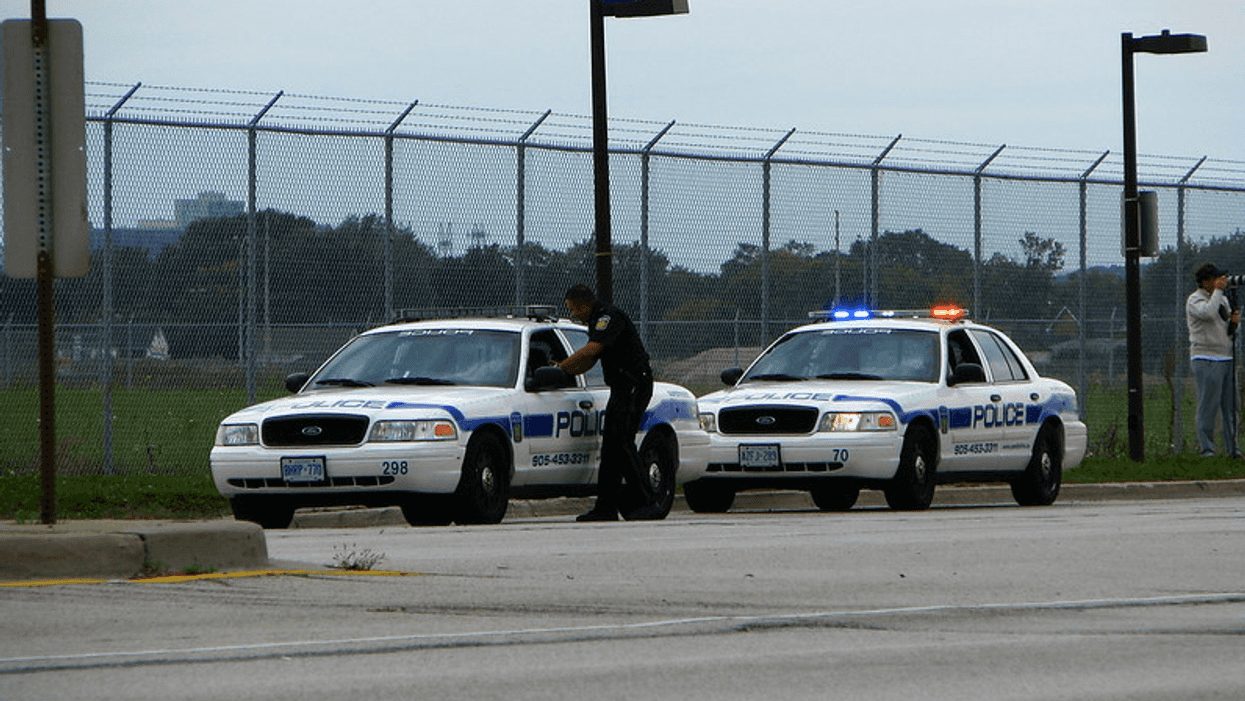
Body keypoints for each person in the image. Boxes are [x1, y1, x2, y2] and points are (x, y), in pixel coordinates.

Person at [555, 284, 655, 521]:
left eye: (573, 308)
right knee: (611, 447)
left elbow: (592, 349)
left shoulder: (608, 317)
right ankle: (606, 507)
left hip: (634, 384)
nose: (573, 314)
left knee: (622, 443)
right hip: (621, 387)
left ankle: (648, 502)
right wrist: (564, 372)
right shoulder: (595, 321)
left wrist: (563, 366)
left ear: (583, 304)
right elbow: (589, 361)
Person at [1186, 262, 1242, 458]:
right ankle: (1207, 448)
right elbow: (1208, 313)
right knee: (1208, 405)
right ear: (1205, 281)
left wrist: (1234, 323)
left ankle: (1233, 448)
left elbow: (1226, 329)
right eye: (1216, 279)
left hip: (1226, 357)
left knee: (1231, 406)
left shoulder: (1223, 300)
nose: (1221, 282)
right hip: (1206, 358)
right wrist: (1218, 292)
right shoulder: (1195, 300)